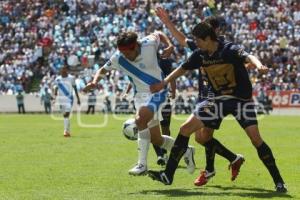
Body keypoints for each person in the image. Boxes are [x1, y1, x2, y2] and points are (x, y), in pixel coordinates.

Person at [147, 22, 287, 193]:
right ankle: (168, 175)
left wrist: (259, 66)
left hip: (240, 101)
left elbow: (249, 56)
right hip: (217, 100)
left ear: (207, 39)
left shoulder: (229, 49)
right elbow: (181, 69)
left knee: (256, 140)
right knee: (185, 129)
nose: (195, 43)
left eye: (198, 40)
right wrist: (163, 83)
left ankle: (279, 181)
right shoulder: (200, 54)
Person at [83, 31, 195, 176]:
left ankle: (142, 164)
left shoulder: (148, 44)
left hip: (157, 92)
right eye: (122, 52)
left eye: (128, 52)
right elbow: (103, 69)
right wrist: (94, 81)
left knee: (139, 119)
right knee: (156, 139)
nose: (126, 56)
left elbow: (159, 33)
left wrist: (169, 44)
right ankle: (186, 150)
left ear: (135, 46)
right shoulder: (119, 57)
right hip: (140, 98)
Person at [155, 7, 244, 186]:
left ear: (214, 32)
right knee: (200, 137)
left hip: (215, 96)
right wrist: (167, 22)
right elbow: (182, 40)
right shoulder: (200, 46)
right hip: (202, 95)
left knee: (204, 135)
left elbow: (240, 64)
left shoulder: (223, 47)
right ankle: (232, 159)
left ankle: (210, 169)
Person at [124, 54, 177, 166]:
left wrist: (173, 91)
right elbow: (135, 79)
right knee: (151, 127)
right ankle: (160, 155)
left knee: (165, 127)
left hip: (163, 99)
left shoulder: (165, 62)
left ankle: (168, 152)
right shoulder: (142, 63)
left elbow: (171, 77)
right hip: (149, 100)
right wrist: (127, 91)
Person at [53, 65, 81, 137]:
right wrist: (54, 98)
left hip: (69, 99)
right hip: (61, 99)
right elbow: (56, 88)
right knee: (65, 116)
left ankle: (65, 131)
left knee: (66, 114)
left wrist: (78, 98)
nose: (63, 71)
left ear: (66, 70)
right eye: (62, 70)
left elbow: (75, 88)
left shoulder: (71, 78)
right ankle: (68, 131)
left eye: (64, 69)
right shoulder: (57, 79)